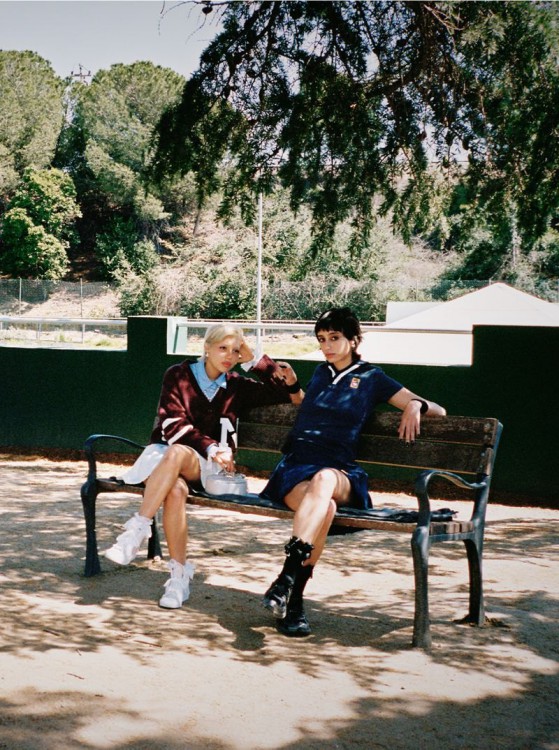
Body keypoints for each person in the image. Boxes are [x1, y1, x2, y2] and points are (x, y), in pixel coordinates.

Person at [260, 307, 446, 637]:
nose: (327, 346)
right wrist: (294, 386)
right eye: (321, 339)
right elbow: (307, 405)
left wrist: (415, 405)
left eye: (334, 338)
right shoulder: (321, 372)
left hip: (339, 472)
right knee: (325, 509)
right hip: (295, 468)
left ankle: (286, 578)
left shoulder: (372, 378)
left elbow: (439, 410)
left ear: (354, 340)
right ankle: (295, 600)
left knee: (325, 481)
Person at [104, 323, 302, 609]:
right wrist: (211, 447)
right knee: (174, 489)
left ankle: (137, 530)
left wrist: (254, 360)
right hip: (165, 458)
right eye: (222, 348)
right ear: (206, 347)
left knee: (178, 454)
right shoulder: (178, 375)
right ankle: (178, 579)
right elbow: (173, 425)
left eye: (235, 351)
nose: (229, 356)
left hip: (207, 469)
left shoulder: (236, 385)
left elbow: (284, 395)